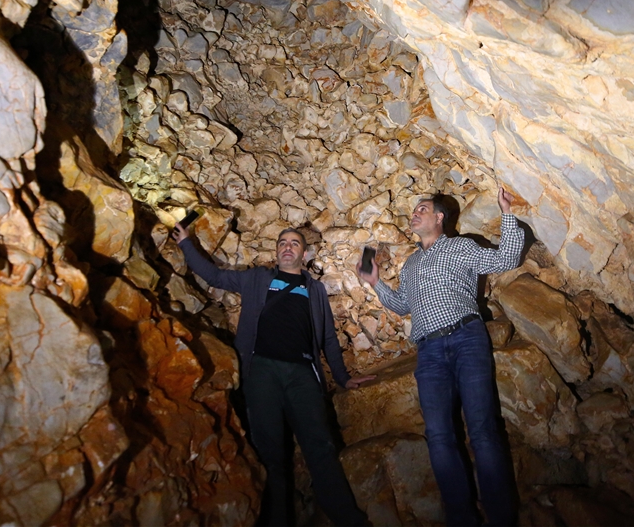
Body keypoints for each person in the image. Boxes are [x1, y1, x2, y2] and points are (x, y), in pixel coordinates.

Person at [173, 223, 373, 527]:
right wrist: (187, 243)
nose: (287, 246)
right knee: (270, 455)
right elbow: (214, 275)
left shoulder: (315, 290)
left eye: (294, 243)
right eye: (282, 242)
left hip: (303, 374)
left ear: (304, 254)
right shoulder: (256, 279)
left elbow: (328, 338)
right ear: (276, 250)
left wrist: (343, 377)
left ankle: (349, 520)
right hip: (261, 371)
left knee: (321, 448)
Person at [355, 187, 525, 527]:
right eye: (414, 210)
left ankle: (501, 516)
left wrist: (506, 213)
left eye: (422, 209)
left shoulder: (460, 247)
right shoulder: (411, 264)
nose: (415, 213)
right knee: (439, 435)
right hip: (429, 351)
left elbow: (506, 259)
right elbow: (405, 305)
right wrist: (376, 283)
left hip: (466, 339)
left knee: (483, 429)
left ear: (439, 218)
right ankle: (462, 517)